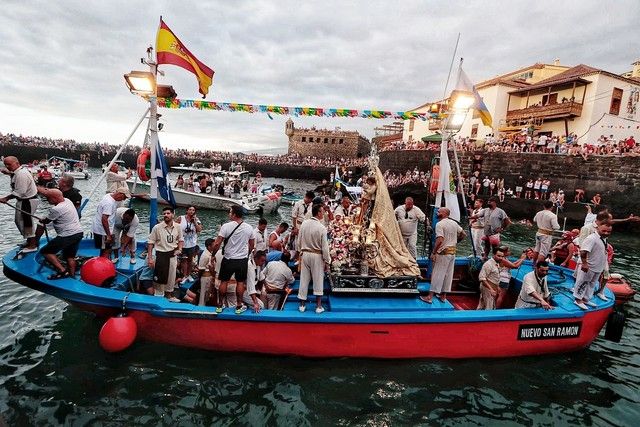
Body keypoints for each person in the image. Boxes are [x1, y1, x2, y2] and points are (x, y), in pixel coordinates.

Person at [211, 204, 255, 314]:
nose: (229, 214)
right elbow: (252, 244)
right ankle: (239, 305)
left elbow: (217, 243)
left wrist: (213, 254)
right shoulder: (249, 228)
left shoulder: (225, 226)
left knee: (223, 281)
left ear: (234, 214)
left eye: (230, 212)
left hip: (228, 258)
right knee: (240, 282)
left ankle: (220, 305)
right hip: (241, 260)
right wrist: (247, 254)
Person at [33, 189, 84, 279]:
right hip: (78, 233)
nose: (47, 200)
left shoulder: (56, 209)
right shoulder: (68, 201)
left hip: (67, 235)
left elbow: (47, 221)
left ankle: (62, 271)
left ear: (54, 198)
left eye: (48, 198)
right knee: (70, 256)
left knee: (45, 251)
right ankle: (72, 277)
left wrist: (42, 220)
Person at [423, 207, 465, 303]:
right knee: (448, 275)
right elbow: (463, 234)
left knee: (437, 273)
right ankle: (443, 297)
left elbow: (440, 239)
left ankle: (430, 297)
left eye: (439, 211)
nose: (437, 213)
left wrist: (434, 252)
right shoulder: (454, 223)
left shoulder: (439, 224)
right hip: (452, 252)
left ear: (444, 213)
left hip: (443, 252)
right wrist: (455, 242)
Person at [0, 156, 40, 252]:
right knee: (20, 221)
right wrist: (9, 173)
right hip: (25, 200)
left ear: (17, 163)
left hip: (27, 201)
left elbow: (20, 191)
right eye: (5, 164)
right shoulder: (19, 171)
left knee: (26, 223)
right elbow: (15, 175)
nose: (7, 166)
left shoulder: (21, 174)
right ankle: (29, 241)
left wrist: (6, 198)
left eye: (9, 164)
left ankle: (32, 245)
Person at [297, 204, 331, 313]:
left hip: (305, 254)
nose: (324, 213)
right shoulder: (321, 227)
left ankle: (302, 305)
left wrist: (300, 252)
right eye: (322, 211)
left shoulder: (304, 224)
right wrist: (327, 260)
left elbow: (299, 241)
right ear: (319, 213)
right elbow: (325, 247)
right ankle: (318, 306)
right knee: (318, 279)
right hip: (317, 255)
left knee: (304, 279)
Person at [147, 207, 184, 302]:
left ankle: (169, 296)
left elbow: (181, 239)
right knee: (160, 277)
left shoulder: (178, 227)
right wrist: (150, 258)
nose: (166, 215)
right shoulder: (157, 227)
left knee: (171, 277)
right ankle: (158, 296)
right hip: (161, 255)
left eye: (168, 213)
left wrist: (179, 249)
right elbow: (150, 243)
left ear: (173, 214)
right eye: (164, 214)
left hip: (172, 255)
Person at [573, 222, 611, 310]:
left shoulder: (604, 239)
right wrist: (585, 264)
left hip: (597, 267)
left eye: (608, 231)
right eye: (604, 231)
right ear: (598, 228)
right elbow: (583, 252)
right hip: (589, 266)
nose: (606, 233)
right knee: (582, 282)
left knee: (592, 284)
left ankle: (586, 298)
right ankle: (578, 299)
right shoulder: (592, 238)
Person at [91, 186, 130, 259]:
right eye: (124, 197)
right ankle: (104, 266)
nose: (124, 200)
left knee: (106, 249)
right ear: (120, 194)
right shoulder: (109, 203)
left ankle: (104, 263)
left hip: (104, 229)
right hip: (103, 231)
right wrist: (108, 235)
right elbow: (104, 219)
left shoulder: (108, 196)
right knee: (106, 250)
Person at [175, 206, 203, 283]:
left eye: (193, 210)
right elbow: (174, 226)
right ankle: (184, 275)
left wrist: (194, 222)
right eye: (190, 210)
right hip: (182, 243)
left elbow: (199, 229)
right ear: (187, 211)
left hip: (192, 244)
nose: (191, 211)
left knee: (190, 260)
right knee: (184, 259)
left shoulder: (197, 220)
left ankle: (188, 274)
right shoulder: (181, 218)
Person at [532, 200, 560, 265]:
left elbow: (534, 220)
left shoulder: (538, 213)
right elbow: (556, 227)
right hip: (546, 234)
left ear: (543, 206)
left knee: (537, 249)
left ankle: (533, 263)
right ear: (552, 207)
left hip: (539, 232)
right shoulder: (553, 215)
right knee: (543, 252)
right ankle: (539, 266)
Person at [197, 238, 216, 306]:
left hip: (209, 277)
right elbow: (201, 269)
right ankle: (201, 308)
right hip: (205, 277)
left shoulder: (209, 254)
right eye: (214, 245)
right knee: (203, 295)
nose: (215, 246)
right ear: (209, 246)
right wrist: (199, 279)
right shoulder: (205, 256)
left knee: (207, 295)